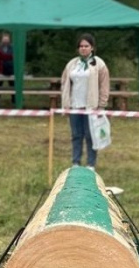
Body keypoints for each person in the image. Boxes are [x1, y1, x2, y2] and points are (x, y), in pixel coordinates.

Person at [60, 33, 110, 171]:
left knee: (90, 135)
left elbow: (104, 86)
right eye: (81, 46)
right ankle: (75, 162)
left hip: (91, 106)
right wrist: (66, 103)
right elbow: (64, 82)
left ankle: (90, 164)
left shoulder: (99, 64)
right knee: (76, 135)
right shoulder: (72, 64)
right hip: (75, 105)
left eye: (86, 46)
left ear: (92, 47)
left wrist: (101, 105)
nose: (83, 48)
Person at [0, 32, 15, 105]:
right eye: (4, 39)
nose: (5, 41)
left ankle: (14, 101)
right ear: (2, 40)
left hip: (11, 70)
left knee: (13, 86)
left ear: (9, 40)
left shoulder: (13, 48)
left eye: (7, 39)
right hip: (0, 70)